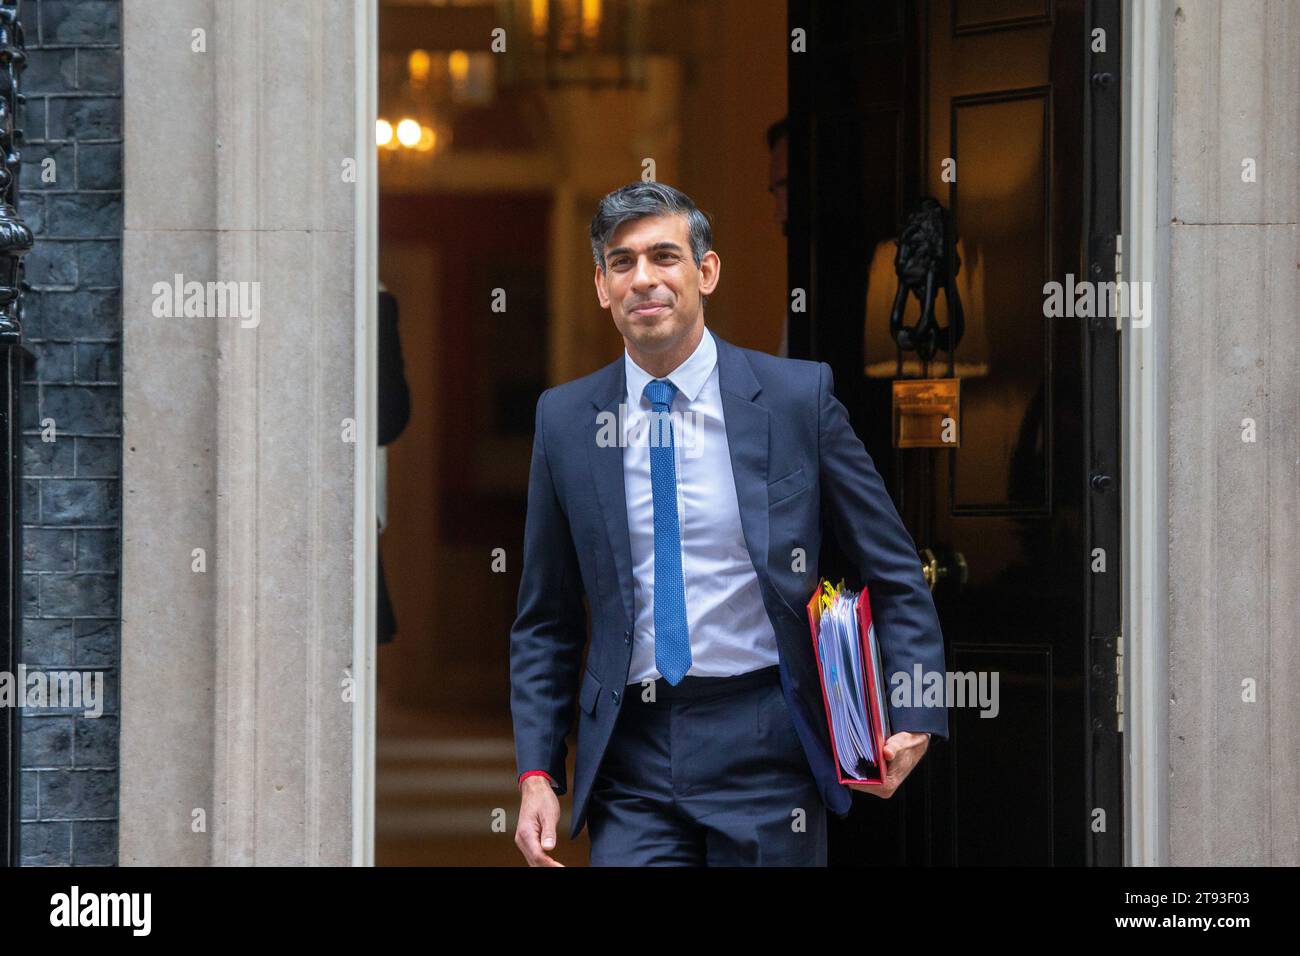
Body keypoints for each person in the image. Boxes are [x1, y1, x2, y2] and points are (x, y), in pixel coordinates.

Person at [510, 182, 947, 866]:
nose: (644, 279)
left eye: (664, 256)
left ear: (706, 272)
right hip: (633, 750)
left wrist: (915, 710)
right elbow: (546, 619)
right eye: (621, 263)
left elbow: (891, 564)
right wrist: (537, 771)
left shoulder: (797, 398)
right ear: (601, 286)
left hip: (769, 741)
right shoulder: (564, 422)